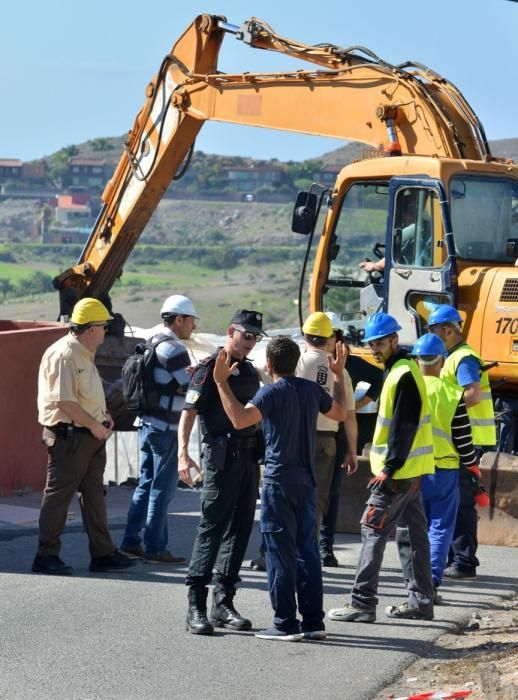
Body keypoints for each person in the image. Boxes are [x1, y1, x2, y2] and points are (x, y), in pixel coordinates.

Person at [214, 336, 347, 641]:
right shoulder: (312, 390)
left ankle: (285, 623)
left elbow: (239, 420)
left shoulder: (270, 393)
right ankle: (313, 622)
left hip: (278, 483)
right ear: (296, 362)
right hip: (307, 482)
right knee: (308, 553)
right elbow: (340, 413)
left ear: (270, 364)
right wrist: (338, 375)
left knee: (279, 554)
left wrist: (222, 383)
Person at [328, 312, 435, 623]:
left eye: (379, 343)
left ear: (394, 340)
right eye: (371, 343)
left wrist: (389, 468)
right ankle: (421, 601)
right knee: (413, 535)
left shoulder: (402, 374)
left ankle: (362, 604)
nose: (374, 349)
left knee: (372, 532)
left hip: (396, 475)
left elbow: (405, 425)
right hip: (408, 473)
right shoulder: (401, 370)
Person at [32, 298, 135, 576]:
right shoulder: (65, 354)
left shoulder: (82, 351)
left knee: (94, 495)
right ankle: (46, 555)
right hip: (70, 436)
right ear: (90, 329)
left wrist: (103, 417)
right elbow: (64, 402)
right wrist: (95, 425)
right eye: (103, 326)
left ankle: (102, 554)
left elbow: (82, 395)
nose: (105, 332)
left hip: (87, 434)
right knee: (58, 496)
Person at [178, 309, 264, 635]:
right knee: (211, 529)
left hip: (247, 459)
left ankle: (223, 603)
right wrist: (183, 455)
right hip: (220, 459)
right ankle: (196, 606)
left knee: (240, 529)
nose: (251, 342)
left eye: (256, 337)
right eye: (247, 335)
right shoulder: (207, 368)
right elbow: (189, 412)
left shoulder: (249, 370)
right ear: (231, 331)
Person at [396, 333, 478, 603]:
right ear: (442, 360)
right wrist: (472, 463)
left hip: (412, 470)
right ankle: (430, 579)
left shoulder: (408, 388)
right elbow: (463, 437)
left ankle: (413, 579)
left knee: (414, 527)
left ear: (417, 360)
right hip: (444, 470)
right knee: (441, 526)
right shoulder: (452, 393)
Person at [120, 294, 198, 564]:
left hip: (146, 423)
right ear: (179, 319)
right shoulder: (175, 349)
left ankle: (131, 542)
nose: (193, 327)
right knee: (162, 490)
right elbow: (192, 387)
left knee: (145, 485)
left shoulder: (151, 342)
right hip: (166, 428)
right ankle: (155, 547)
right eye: (190, 321)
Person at [427, 304, 496, 580]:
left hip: (469, 438)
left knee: (463, 502)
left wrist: (446, 411)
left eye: (434, 330)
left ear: (448, 330)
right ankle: (456, 557)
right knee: (456, 500)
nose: (433, 336)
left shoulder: (463, 358)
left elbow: (473, 394)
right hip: (461, 437)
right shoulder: (454, 357)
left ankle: (465, 562)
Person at [319, 311, 382, 566]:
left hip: (337, 437)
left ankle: (325, 546)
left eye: (326, 336)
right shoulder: (309, 360)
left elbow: (378, 377)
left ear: (337, 337)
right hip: (313, 434)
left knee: (331, 492)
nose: (321, 341)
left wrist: (358, 403)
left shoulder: (351, 364)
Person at [296, 312, 357, 537]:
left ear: (305, 335)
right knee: (317, 499)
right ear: (329, 337)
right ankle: (308, 552)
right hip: (326, 442)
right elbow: (349, 416)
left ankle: (274, 552)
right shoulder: (340, 370)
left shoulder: (296, 361)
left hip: (297, 438)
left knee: (290, 495)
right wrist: (351, 451)